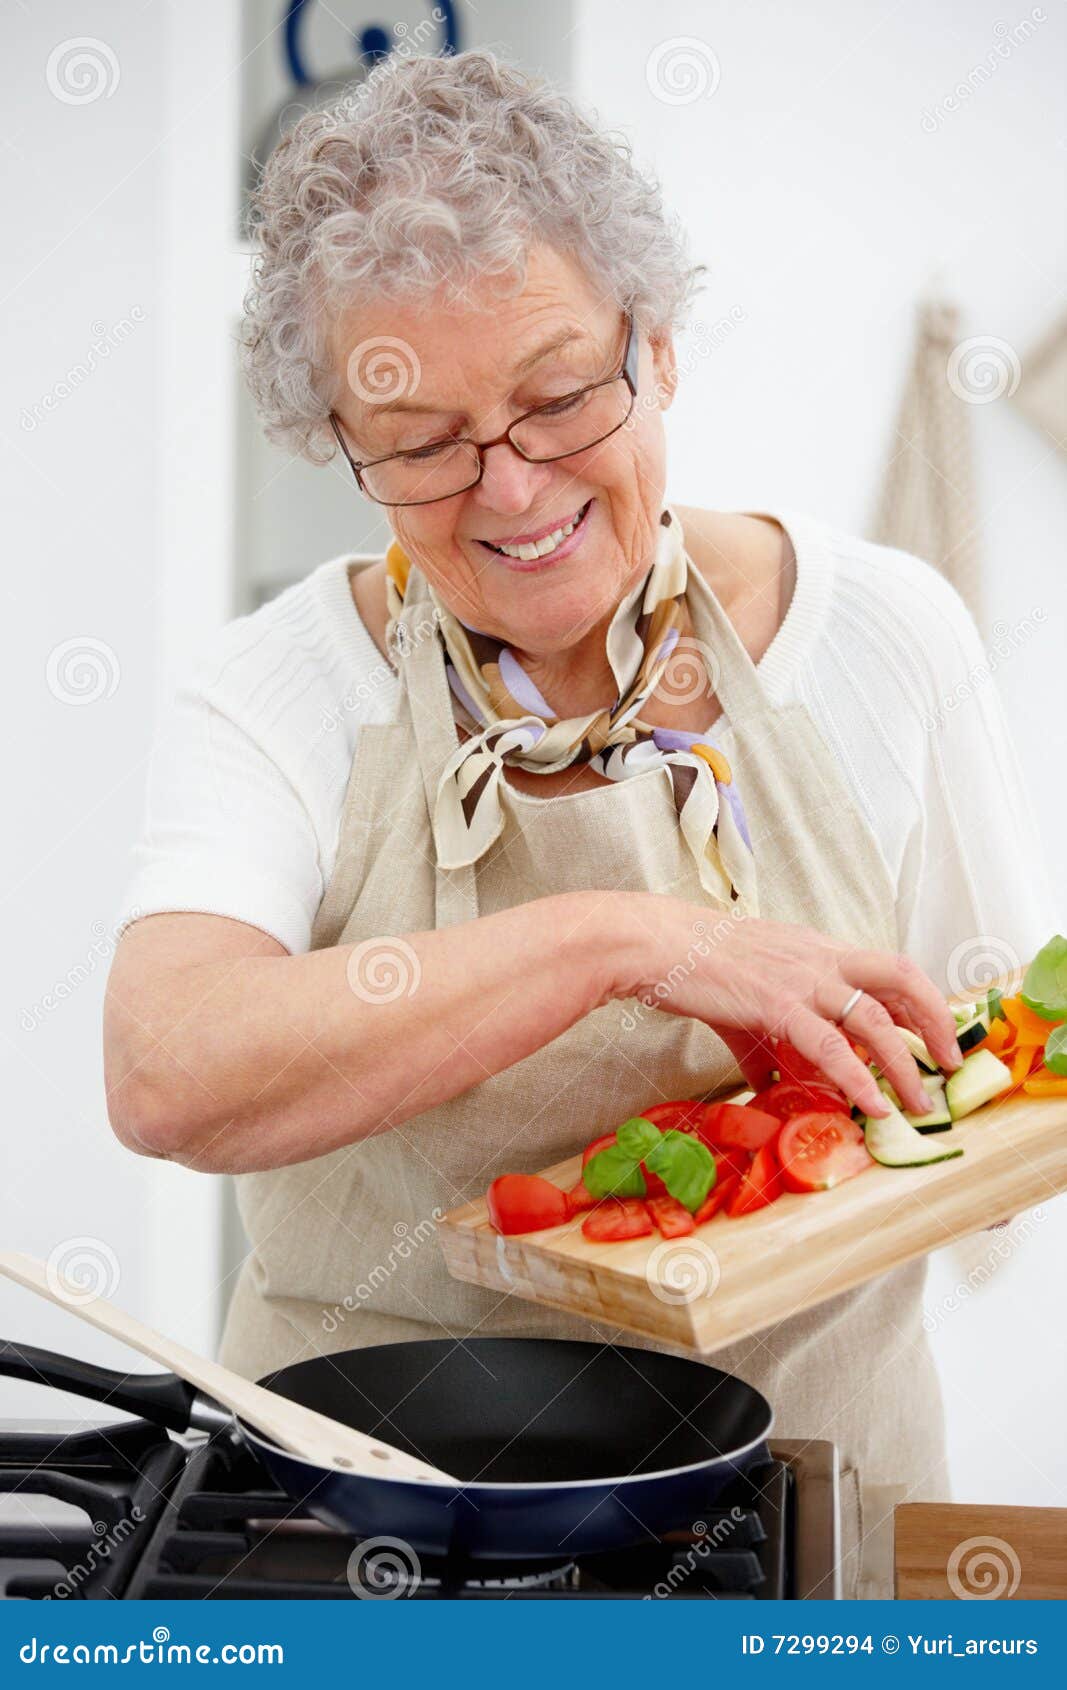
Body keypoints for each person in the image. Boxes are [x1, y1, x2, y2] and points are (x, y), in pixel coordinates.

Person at [104, 50, 1051, 1598]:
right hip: (364, 1530)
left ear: (660, 345)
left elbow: (996, 1084)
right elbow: (165, 1069)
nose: (512, 485)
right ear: (340, 441)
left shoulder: (882, 635)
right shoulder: (275, 690)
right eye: (421, 441)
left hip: (812, 1512)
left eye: (558, 394)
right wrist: (628, 939)